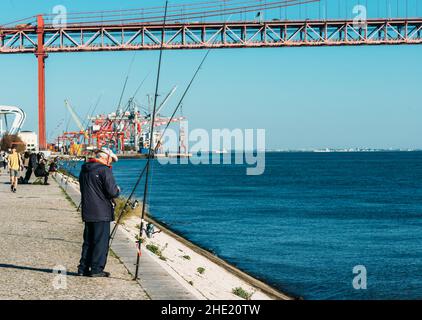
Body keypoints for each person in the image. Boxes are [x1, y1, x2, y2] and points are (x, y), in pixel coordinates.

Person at [78, 148, 120, 277]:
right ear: (105, 158)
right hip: (101, 211)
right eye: (111, 160)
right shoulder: (104, 170)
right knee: (100, 242)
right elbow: (112, 192)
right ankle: (96, 269)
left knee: (88, 241)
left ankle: (83, 268)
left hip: (88, 210)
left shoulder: (84, 169)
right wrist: (117, 190)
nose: (111, 163)